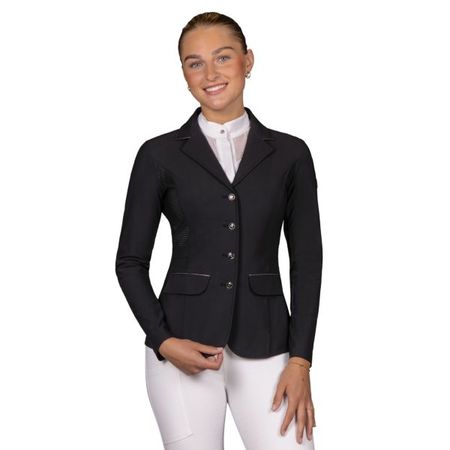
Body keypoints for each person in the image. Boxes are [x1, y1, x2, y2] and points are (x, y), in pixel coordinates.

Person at [115, 11, 323, 450]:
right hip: (181, 343)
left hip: (269, 343)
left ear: (248, 61)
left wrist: (300, 360)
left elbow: (307, 261)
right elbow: (130, 262)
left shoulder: (291, 154)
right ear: (184, 74)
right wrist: (162, 340)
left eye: (223, 57)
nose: (210, 74)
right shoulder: (158, 155)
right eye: (195, 63)